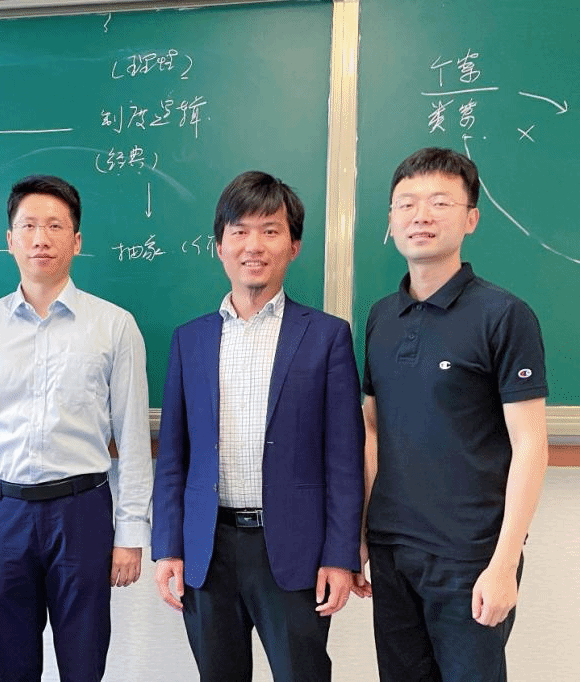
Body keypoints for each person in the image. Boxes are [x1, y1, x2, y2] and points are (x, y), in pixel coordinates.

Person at [151, 171, 365, 682]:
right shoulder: (189, 340)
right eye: (240, 231)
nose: (254, 245)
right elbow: (174, 456)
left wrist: (341, 555)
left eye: (271, 231)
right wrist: (168, 547)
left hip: (294, 548)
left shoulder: (327, 337)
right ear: (219, 246)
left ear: (293, 246)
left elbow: (344, 458)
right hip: (209, 549)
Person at [0, 174, 153, 681]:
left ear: (76, 241)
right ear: (10, 239)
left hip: (82, 512)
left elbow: (132, 437)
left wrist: (130, 533)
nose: (41, 238)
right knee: (12, 666)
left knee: (83, 665)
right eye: (29, 226)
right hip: (2, 514)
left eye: (55, 226)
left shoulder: (115, 325)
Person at [354, 147, 548, 682]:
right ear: (391, 219)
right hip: (393, 549)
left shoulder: (504, 315)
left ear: (471, 219)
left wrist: (504, 563)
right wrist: (363, 532)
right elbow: (372, 427)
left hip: (470, 556)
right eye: (407, 204)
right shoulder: (381, 317)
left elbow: (532, 445)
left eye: (440, 202)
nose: (421, 216)